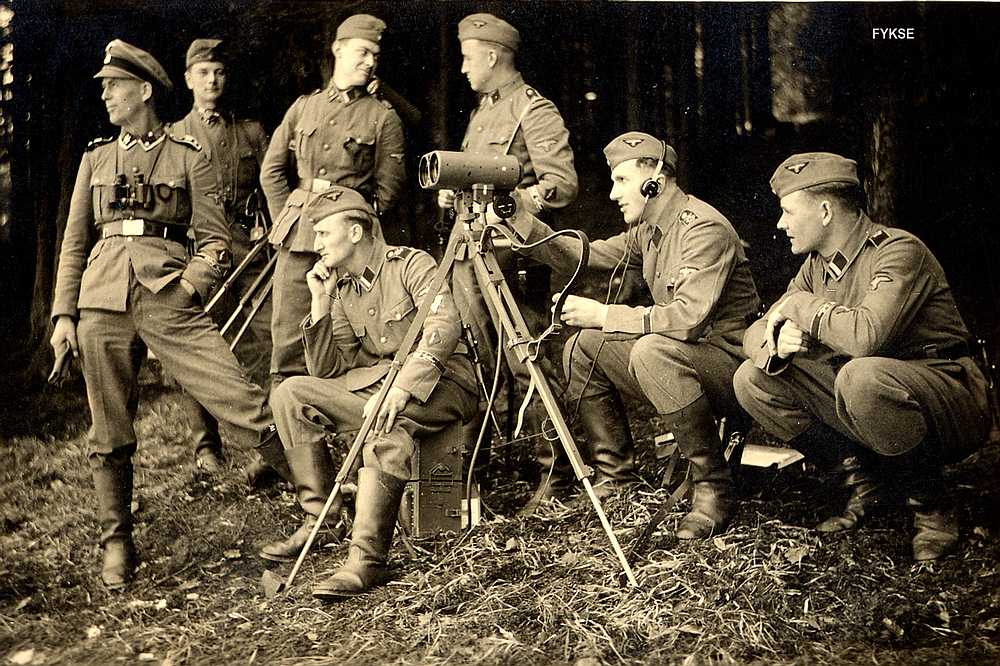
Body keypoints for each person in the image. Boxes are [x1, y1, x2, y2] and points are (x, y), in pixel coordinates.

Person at [49, 40, 284, 590]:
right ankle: (117, 543)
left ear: (144, 90)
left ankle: (319, 497)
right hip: (101, 301)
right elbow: (75, 243)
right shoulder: (95, 158)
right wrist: (64, 315)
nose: (106, 94)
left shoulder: (187, 155)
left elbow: (215, 242)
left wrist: (188, 289)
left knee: (238, 395)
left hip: (166, 294)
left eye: (114, 85)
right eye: (105, 86)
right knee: (109, 429)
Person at [497, 131, 761, 538]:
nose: (613, 193)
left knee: (650, 350)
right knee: (583, 347)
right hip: (682, 360)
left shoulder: (702, 229)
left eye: (622, 180)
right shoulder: (649, 229)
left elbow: (688, 319)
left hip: (729, 368)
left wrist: (605, 314)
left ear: (656, 180)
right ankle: (615, 476)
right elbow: (584, 255)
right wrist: (521, 221)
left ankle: (713, 485)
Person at [733, 152, 991, 561]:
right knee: (752, 379)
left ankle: (933, 509)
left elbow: (865, 336)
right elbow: (754, 334)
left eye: (787, 211)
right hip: (871, 398)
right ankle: (866, 486)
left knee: (860, 376)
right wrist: (776, 345)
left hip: (947, 394)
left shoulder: (897, 251)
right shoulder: (817, 268)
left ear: (825, 211)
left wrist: (800, 307)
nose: (780, 224)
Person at [262, 186, 478, 597]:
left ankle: (366, 560)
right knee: (291, 394)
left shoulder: (411, 264)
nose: (315, 243)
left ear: (356, 232)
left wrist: (402, 388)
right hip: (377, 387)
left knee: (386, 425)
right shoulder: (343, 289)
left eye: (323, 233)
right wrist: (320, 302)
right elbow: (330, 370)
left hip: (443, 382)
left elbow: (443, 325)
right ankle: (323, 519)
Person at [436, 12, 577, 512]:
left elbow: (561, 184)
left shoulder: (532, 110)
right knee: (478, 357)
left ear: (493, 56)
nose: (463, 68)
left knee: (526, 359)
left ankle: (555, 473)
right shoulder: (483, 112)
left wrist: (514, 204)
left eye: (468, 58)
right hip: (469, 252)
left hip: (512, 254)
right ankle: (488, 466)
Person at [260, 14, 406, 388]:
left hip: (349, 242)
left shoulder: (382, 117)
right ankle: (285, 414)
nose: (369, 62)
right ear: (338, 49)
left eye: (375, 55)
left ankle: (336, 410)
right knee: (288, 333)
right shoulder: (304, 107)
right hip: (298, 237)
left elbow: (387, 191)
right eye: (362, 52)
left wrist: (355, 227)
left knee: (342, 335)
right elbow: (271, 171)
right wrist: (288, 221)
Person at [171, 38, 274, 478]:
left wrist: (271, 228)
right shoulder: (174, 136)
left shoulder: (249, 132)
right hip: (198, 251)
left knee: (268, 337)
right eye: (203, 73)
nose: (212, 81)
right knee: (198, 346)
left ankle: (271, 440)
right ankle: (206, 447)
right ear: (189, 79)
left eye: (219, 72)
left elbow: (272, 183)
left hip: (249, 248)